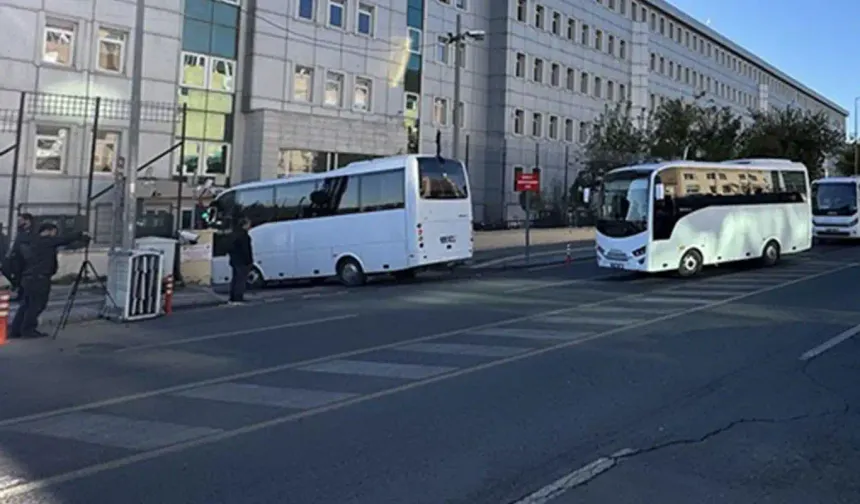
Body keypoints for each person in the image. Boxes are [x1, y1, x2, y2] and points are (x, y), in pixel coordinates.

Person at [9, 223, 88, 339]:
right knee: (37, 305)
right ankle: (28, 329)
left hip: (28, 277)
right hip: (39, 278)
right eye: (54, 232)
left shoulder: (33, 241)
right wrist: (79, 234)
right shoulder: (45, 241)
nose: (54, 235)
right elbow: (63, 240)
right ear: (49, 231)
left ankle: (16, 330)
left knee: (26, 305)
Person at [1, 213, 34, 302]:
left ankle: (22, 294)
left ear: (27, 221)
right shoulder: (21, 231)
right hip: (16, 258)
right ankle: (17, 288)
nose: (19, 222)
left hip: (25, 259)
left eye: (21, 220)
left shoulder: (32, 231)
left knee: (23, 277)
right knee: (6, 269)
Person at [227, 217, 253, 305]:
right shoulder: (244, 236)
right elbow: (246, 250)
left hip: (234, 260)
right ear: (244, 225)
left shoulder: (234, 234)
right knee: (241, 280)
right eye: (249, 224)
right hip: (242, 261)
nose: (250, 226)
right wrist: (249, 261)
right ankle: (238, 297)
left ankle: (232, 297)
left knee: (235, 279)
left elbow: (229, 248)